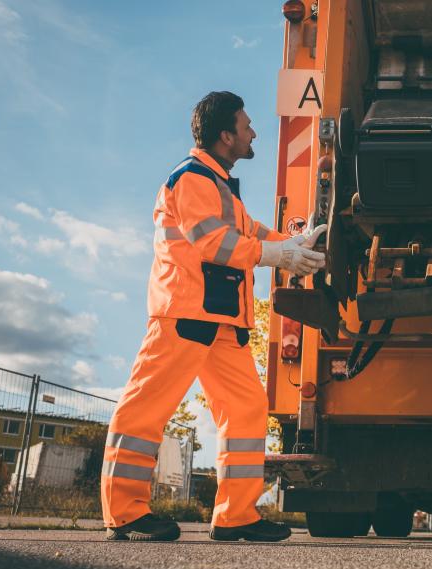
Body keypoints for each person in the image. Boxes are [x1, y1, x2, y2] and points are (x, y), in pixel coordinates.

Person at [101, 91, 326, 542]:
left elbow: (249, 232)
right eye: (246, 126)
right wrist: (277, 255)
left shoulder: (219, 186)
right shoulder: (192, 179)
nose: (253, 133)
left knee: (246, 410)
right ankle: (125, 513)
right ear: (226, 136)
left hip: (221, 322)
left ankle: (236, 515)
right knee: (145, 411)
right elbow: (213, 244)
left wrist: (293, 243)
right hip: (183, 316)